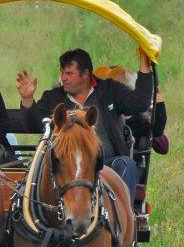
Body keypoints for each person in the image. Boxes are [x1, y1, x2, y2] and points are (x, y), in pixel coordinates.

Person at [15, 48, 154, 196]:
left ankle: (123, 217)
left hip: (105, 165)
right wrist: (27, 99)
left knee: (127, 164)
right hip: (66, 167)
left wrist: (145, 66)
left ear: (86, 74)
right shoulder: (53, 97)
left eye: (69, 73)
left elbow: (140, 102)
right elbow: (33, 124)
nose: (63, 78)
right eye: (62, 72)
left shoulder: (109, 90)